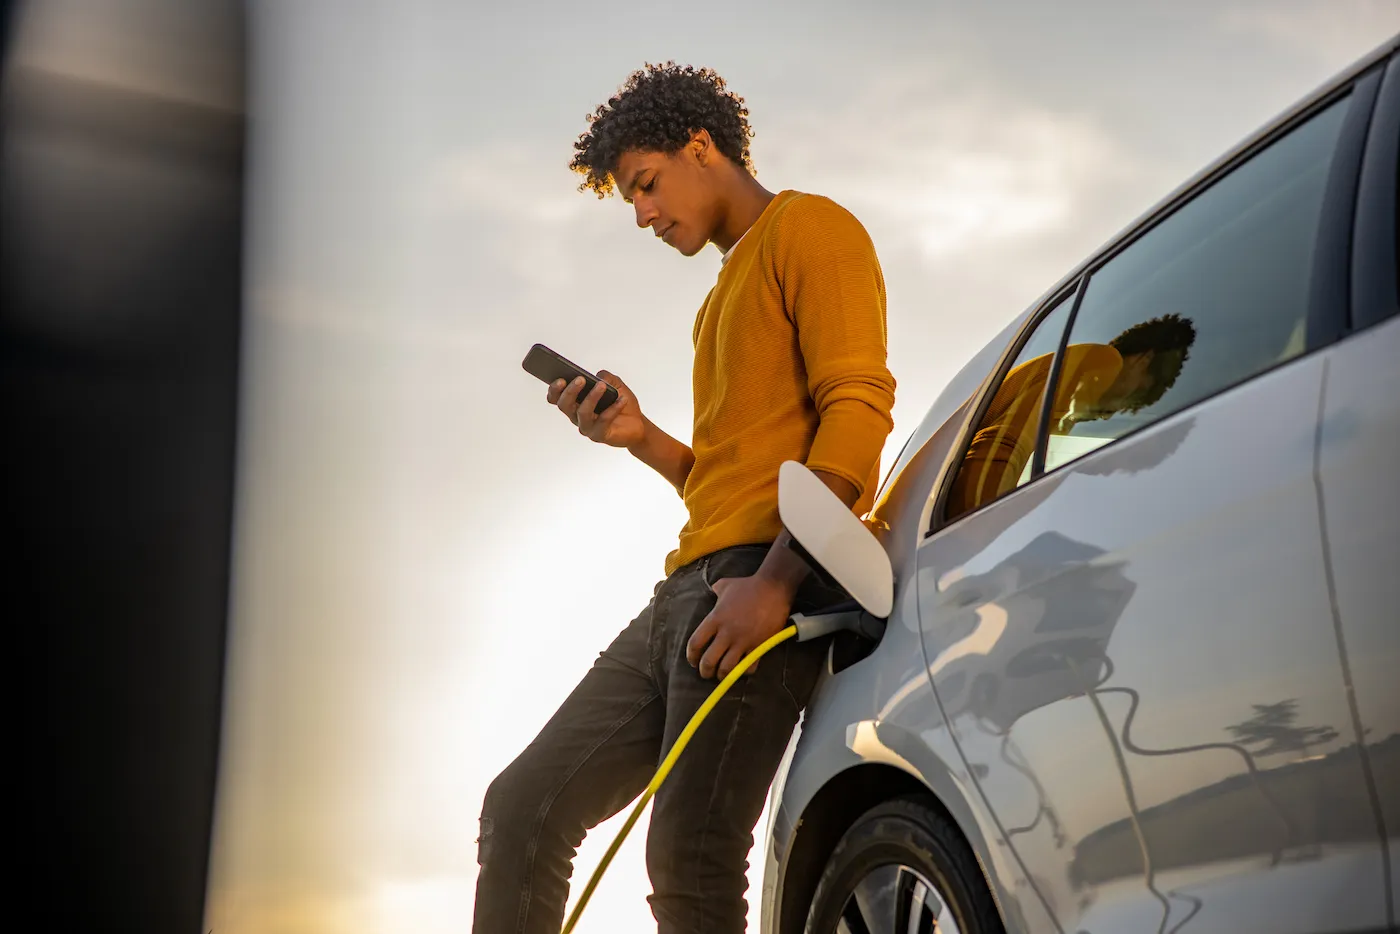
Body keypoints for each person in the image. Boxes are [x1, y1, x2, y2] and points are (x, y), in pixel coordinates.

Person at [472, 62, 896, 933]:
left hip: (764, 580)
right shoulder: (717, 303)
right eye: (632, 196)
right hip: (687, 591)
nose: (643, 213)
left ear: (701, 147)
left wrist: (776, 584)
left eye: (648, 184)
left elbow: (857, 413)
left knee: (689, 858)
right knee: (522, 807)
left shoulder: (811, 229)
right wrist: (642, 438)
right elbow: (729, 477)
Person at [947, 312, 1197, 520]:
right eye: (1135, 396)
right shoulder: (1104, 361)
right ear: (1143, 360)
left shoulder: (1061, 407)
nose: (1110, 417)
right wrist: (978, 536)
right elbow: (1000, 448)